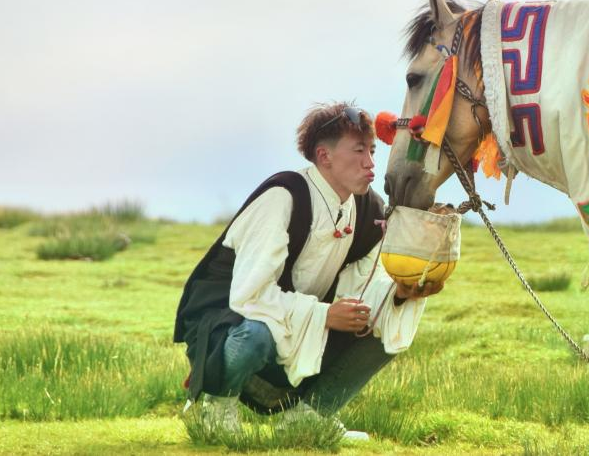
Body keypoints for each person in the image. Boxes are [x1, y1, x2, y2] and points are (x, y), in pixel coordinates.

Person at [173, 102, 441, 439]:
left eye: (372, 151)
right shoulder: (283, 197)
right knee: (256, 332)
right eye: (359, 150)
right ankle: (214, 408)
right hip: (228, 327)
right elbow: (248, 297)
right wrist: (324, 315)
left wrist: (400, 293)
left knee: (387, 324)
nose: (371, 163)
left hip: (296, 324)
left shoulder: (368, 210)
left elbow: (360, 288)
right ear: (324, 156)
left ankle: (309, 416)